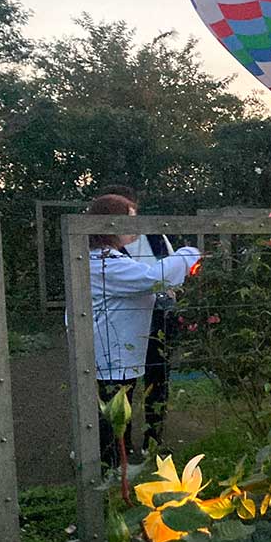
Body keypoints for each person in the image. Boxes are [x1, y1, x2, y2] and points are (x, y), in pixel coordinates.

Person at [87, 194, 200, 468]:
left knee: (122, 404)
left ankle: (120, 464)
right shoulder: (104, 263)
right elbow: (151, 278)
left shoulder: (109, 257)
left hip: (121, 348)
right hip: (111, 351)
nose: (137, 225)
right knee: (113, 412)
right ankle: (111, 469)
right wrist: (191, 253)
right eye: (131, 219)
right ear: (111, 224)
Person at [101, 185, 177, 451]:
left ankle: (152, 441)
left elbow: (171, 270)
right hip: (122, 324)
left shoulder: (156, 237)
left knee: (158, 378)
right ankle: (120, 445)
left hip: (157, 319)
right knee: (122, 384)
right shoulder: (102, 249)